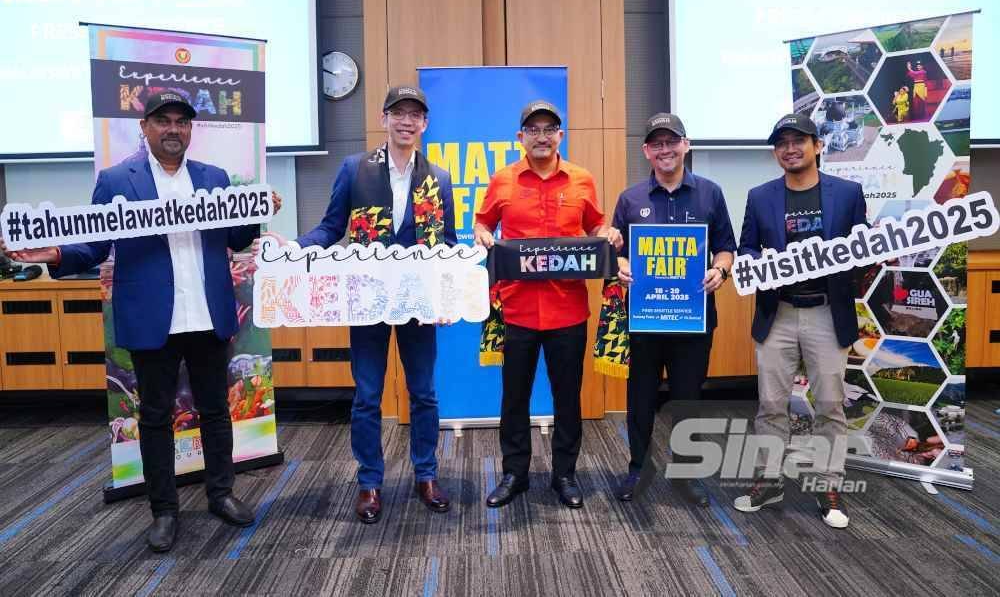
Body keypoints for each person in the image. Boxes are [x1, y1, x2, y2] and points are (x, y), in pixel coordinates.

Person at [1, 92, 280, 552]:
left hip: (207, 314)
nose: (174, 129)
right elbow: (95, 245)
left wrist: (257, 211)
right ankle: (164, 510)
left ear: (190, 130)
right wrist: (53, 254)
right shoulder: (116, 181)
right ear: (145, 128)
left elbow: (235, 236)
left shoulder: (213, 178)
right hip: (153, 319)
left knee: (215, 410)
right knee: (154, 416)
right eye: (163, 120)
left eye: (182, 122)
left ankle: (221, 493)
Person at [289, 85, 456, 524]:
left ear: (424, 124)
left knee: (424, 393)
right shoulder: (354, 169)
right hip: (367, 298)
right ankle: (369, 482)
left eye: (415, 115)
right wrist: (292, 248)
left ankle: (426, 475)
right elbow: (330, 228)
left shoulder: (438, 178)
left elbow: (447, 245)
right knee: (366, 396)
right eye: (398, 113)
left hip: (418, 302)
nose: (406, 121)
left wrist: (448, 294)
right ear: (384, 119)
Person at [473, 101, 621, 509]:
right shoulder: (502, 180)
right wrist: (482, 234)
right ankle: (514, 474)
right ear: (520, 137)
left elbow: (596, 224)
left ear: (560, 136)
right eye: (533, 130)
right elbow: (483, 222)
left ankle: (565, 475)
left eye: (549, 129)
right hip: (516, 308)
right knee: (514, 397)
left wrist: (608, 234)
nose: (542, 136)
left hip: (568, 309)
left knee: (567, 397)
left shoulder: (582, 179)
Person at [733, 113, 867, 529]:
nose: (789, 149)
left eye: (798, 141)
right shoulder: (760, 197)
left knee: (830, 405)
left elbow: (862, 249)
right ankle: (769, 481)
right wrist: (761, 262)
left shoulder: (848, 193)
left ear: (818, 146)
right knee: (771, 405)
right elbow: (745, 250)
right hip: (778, 313)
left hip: (827, 313)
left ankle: (829, 486)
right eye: (782, 143)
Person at [610, 113, 735, 506]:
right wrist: (621, 266)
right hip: (645, 320)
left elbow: (726, 248)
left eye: (672, 141)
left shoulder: (711, 193)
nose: (665, 149)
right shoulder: (630, 199)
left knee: (688, 399)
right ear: (647, 151)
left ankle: (687, 474)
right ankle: (638, 468)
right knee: (640, 400)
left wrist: (720, 270)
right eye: (657, 144)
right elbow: (616, 253)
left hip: (693, 320)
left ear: (686, 145)